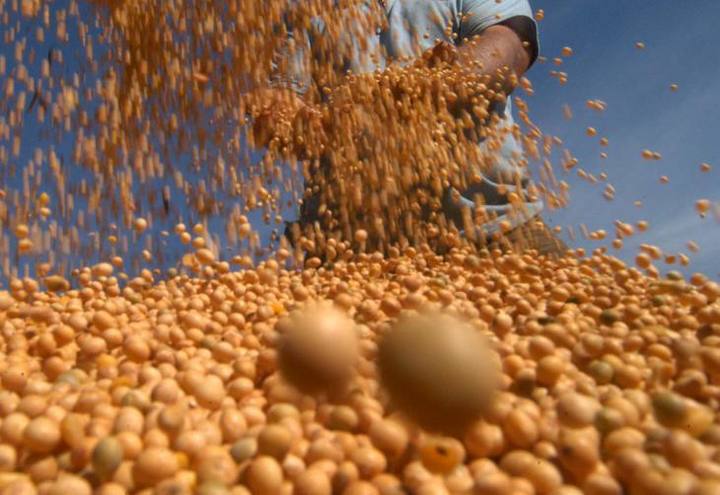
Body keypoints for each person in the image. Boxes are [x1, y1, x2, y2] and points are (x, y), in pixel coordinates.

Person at [254, 0, 566, 256]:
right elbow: (277, 106)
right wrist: (301, 126)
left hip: (496, 224)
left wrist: (442, 85)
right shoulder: (310, 16)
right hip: (352, 249)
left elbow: (511, 42)